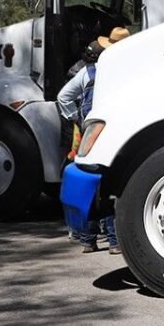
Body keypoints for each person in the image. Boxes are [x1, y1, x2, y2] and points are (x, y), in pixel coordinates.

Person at [57, 26, 130, 253]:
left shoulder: (87, 72)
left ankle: (88, 240)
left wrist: (77, 119)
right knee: (109, 183)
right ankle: (115, 241)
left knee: (90, 185)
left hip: (91, 131)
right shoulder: (126, 70)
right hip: (112, 132)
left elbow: (63, 97)